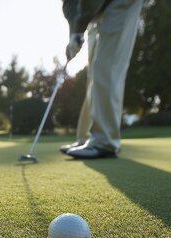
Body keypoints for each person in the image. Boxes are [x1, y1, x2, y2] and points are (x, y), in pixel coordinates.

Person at [59, 0, 144, 159]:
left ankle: (105, 141)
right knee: (93, 75)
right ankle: (85, 137)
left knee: (105, 66)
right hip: (95, 12)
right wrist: (73, 34)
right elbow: (70, 5)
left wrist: (79, 28)